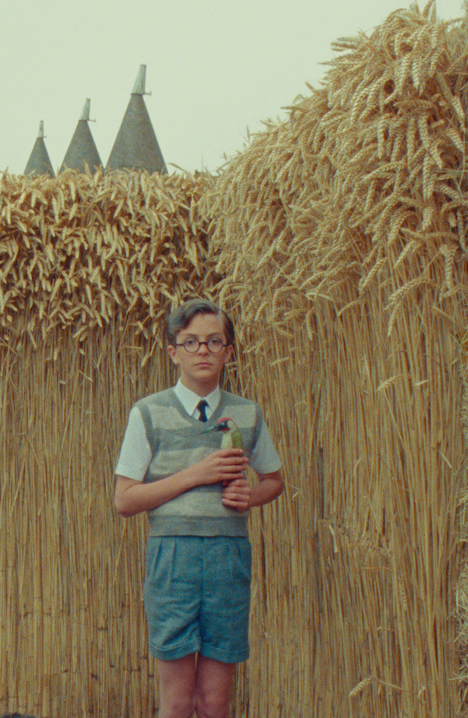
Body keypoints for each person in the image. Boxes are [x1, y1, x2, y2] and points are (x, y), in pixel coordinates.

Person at [113, 298, 284, 718]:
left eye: (214, 341)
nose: (203, 350)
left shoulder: (248, 414)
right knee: (176, 704)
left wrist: (250, 496)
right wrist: (197, 473)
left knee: (214, 703)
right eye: (191, 342)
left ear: (229, 351)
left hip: (229, 559)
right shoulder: (147, 413)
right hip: (173, 560)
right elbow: (125, 499)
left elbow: (274, 482)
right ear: (173, 352)